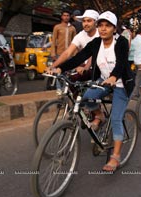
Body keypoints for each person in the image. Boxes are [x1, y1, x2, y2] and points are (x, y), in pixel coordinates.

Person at [51, 11, 134, 172]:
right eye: (101, 25)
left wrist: (114, 76)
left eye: (107, 26)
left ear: (114, 29)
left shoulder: (121, 42)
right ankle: (100, 116)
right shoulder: (96, 43)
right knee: (86, 98)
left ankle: (115, 156)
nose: (103, 29)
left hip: (121, 84)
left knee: (116, 119)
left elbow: (122, 63)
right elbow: (78, 57)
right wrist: (60, 68)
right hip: (103, 81)